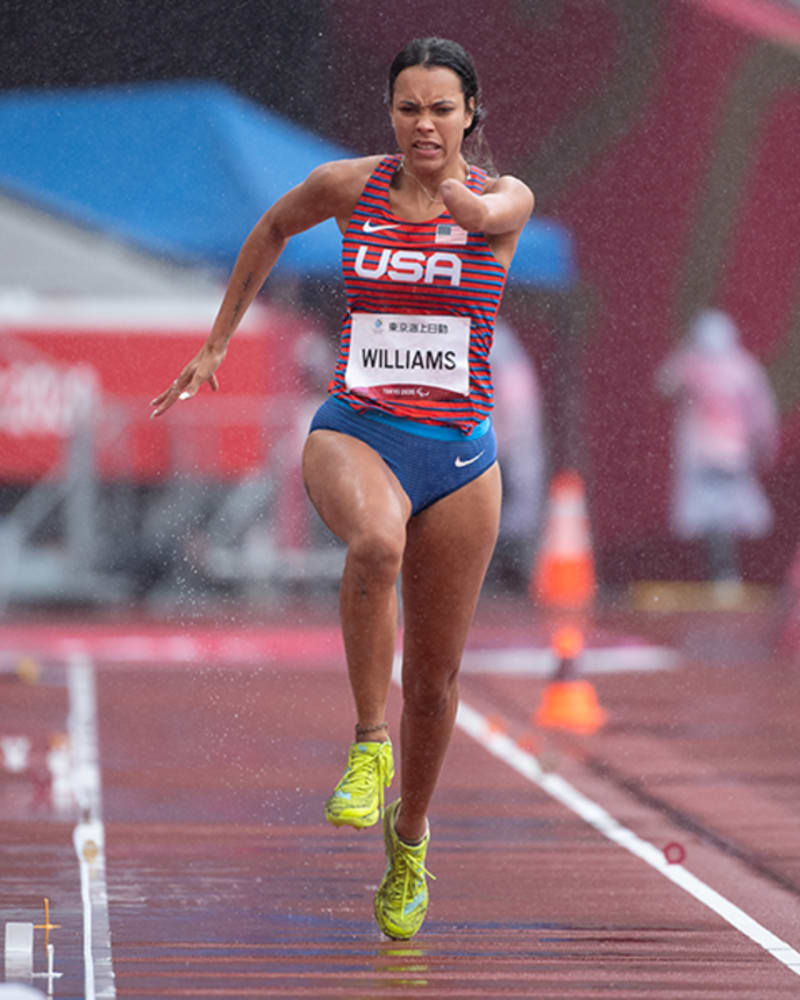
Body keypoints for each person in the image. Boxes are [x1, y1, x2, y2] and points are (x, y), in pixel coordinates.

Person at [150, 36, 533, 939]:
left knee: (436, 685)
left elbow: (483, 220)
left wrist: (450, 190)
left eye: (442, 108)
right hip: (357, 429)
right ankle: (368, 746)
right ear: (389, 113)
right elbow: (273, 227)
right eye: (408, 107)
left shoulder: (506, 198)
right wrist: (216, 340)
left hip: (462, 454)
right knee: (375, 542)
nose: (424, 124)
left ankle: (409, 841)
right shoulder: (344, 187)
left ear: (471, 113)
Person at [655, 308, 779, 596]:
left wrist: (763, 444)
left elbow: (760, 412)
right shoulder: (701, 363)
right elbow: (664, 384)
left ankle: (724, 575)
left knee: (723, 518)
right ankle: (721, 576)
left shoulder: (738, 368)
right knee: (714, 519)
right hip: (712, 457)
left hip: (724, 457)